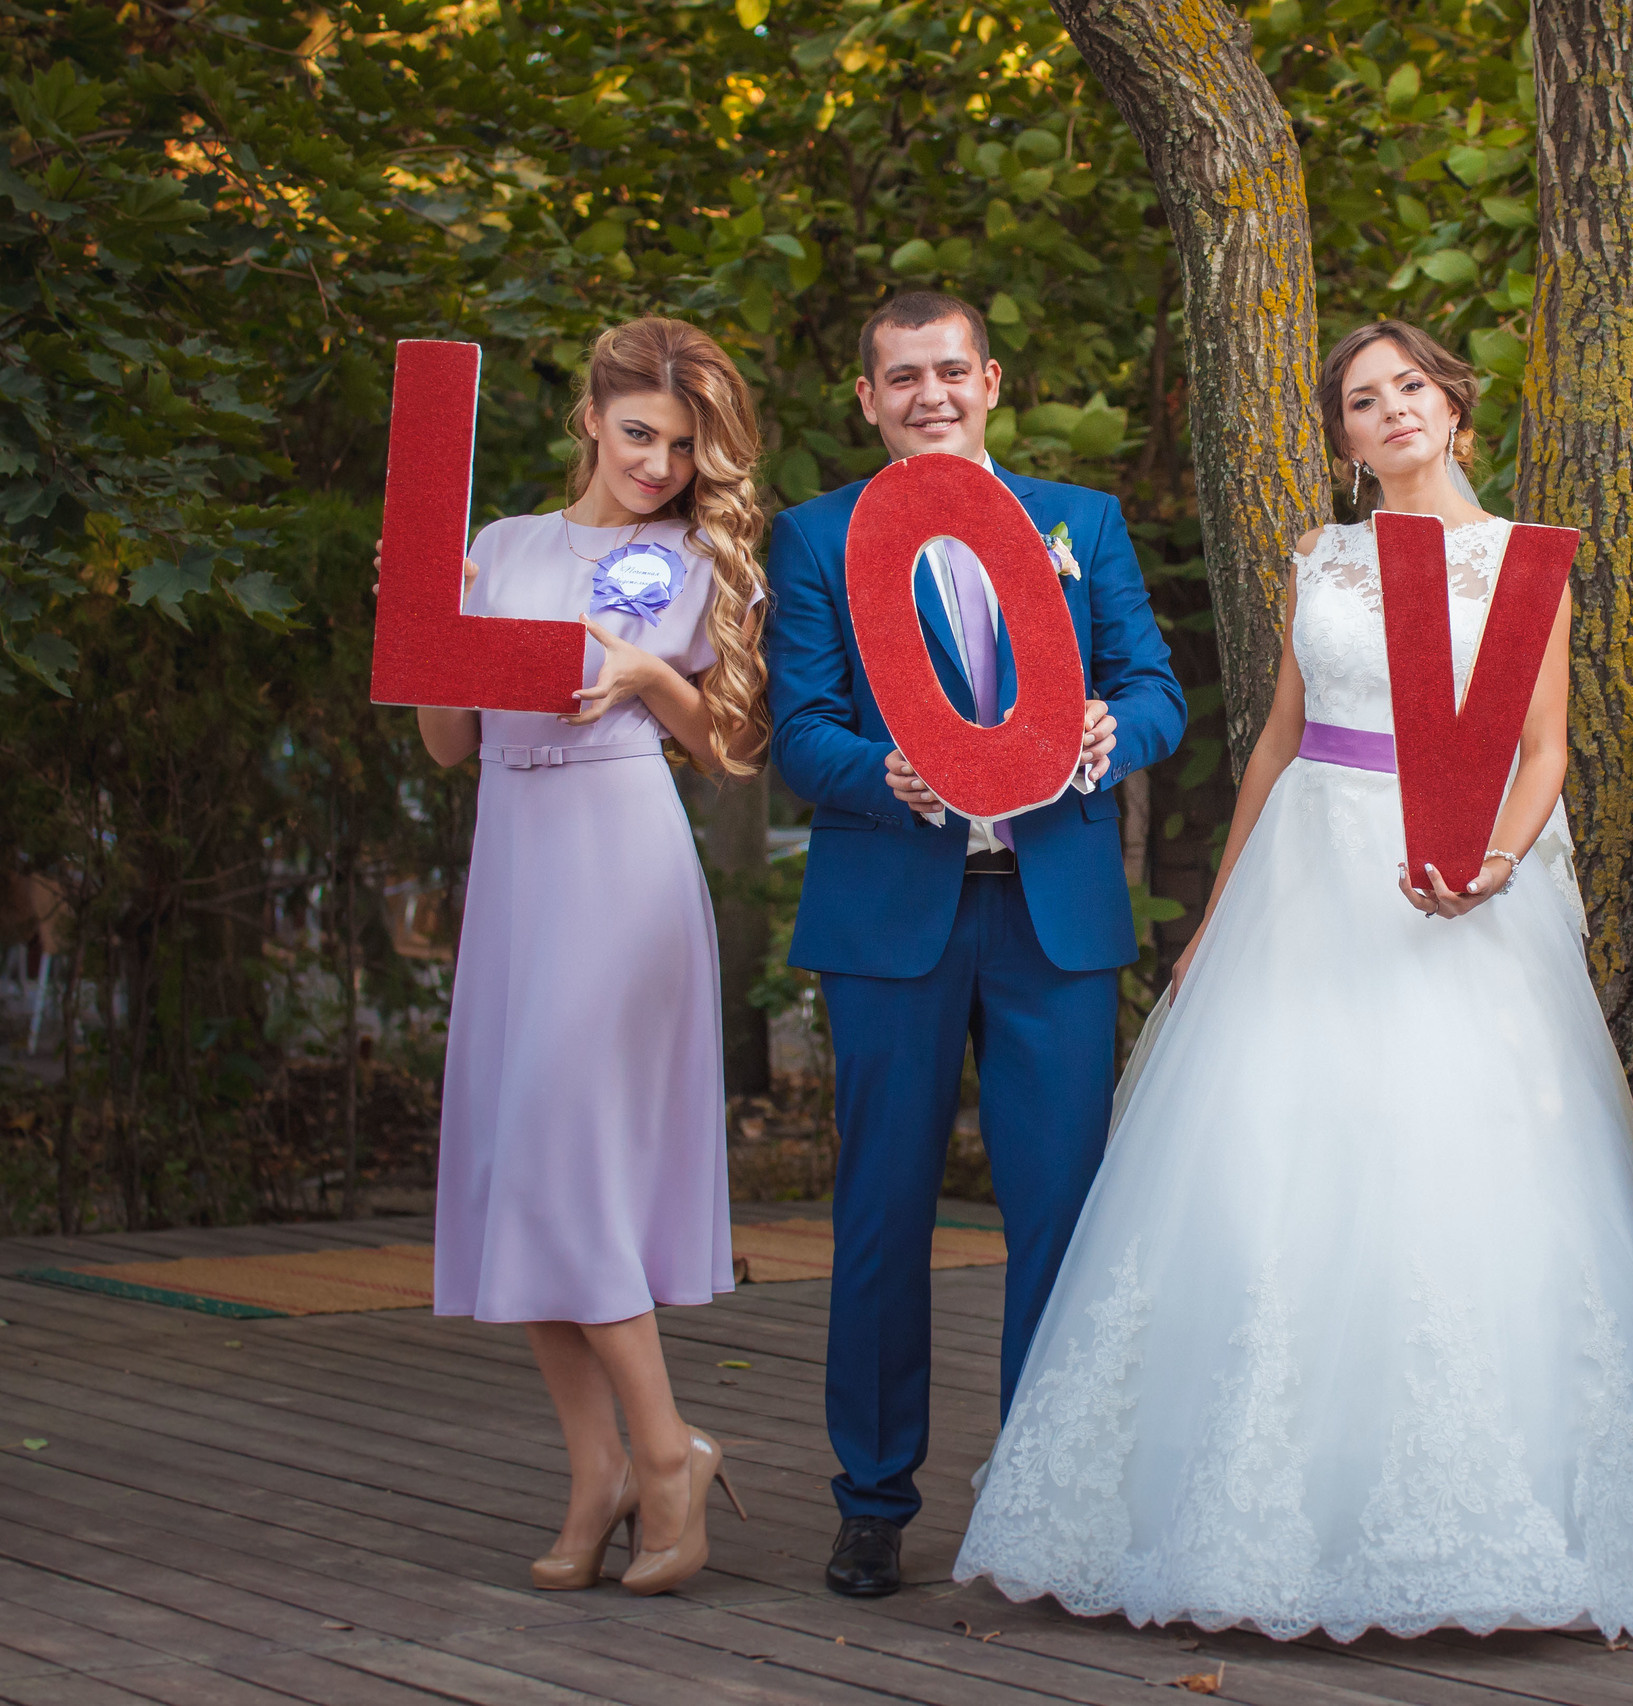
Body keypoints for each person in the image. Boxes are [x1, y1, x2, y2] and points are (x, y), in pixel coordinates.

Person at [950, 320, 1633, 1642]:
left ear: (1456, 410)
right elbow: (1278, 737)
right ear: (1343, 439)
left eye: (1408, 390)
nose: (1387, 411)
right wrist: (1220, 909)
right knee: (1272, 1162)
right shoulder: (1324, 560)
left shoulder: (1524, 565)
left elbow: (1547, 747)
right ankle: (1245, 1513)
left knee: (1449, 1169)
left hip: (1454, 896)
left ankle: (1469, 1520)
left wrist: (1496, 861)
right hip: (1307, 878)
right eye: (1358, 401)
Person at [765, 291, 1187, 1599]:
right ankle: (873, 1499)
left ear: (992, 378)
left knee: (1058, 1212)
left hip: (1049, 912)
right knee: (882, 1213)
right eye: (903, 377)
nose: (930, 394)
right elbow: (798, 728)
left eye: (950, 369)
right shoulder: (819, 536)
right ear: (867, 397)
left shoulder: (1080, 523)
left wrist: (1125, 733)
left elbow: (1156, 686)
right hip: (893, 912)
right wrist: (877, 773)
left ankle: (1038, 1493)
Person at [420, 316, 761, 1596]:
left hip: (621, 854)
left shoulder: (686, 560)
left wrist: (645, 679)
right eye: (638, 435)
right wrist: (425, 626)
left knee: (565, 1151)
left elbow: (730, 749)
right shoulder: (502, 548)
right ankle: (598, 1471)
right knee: (521, 1162)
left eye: (682, 445)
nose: (659, 464)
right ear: (589, 418)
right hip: (515, 858)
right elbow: (450, 747)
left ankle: (668, 1451)